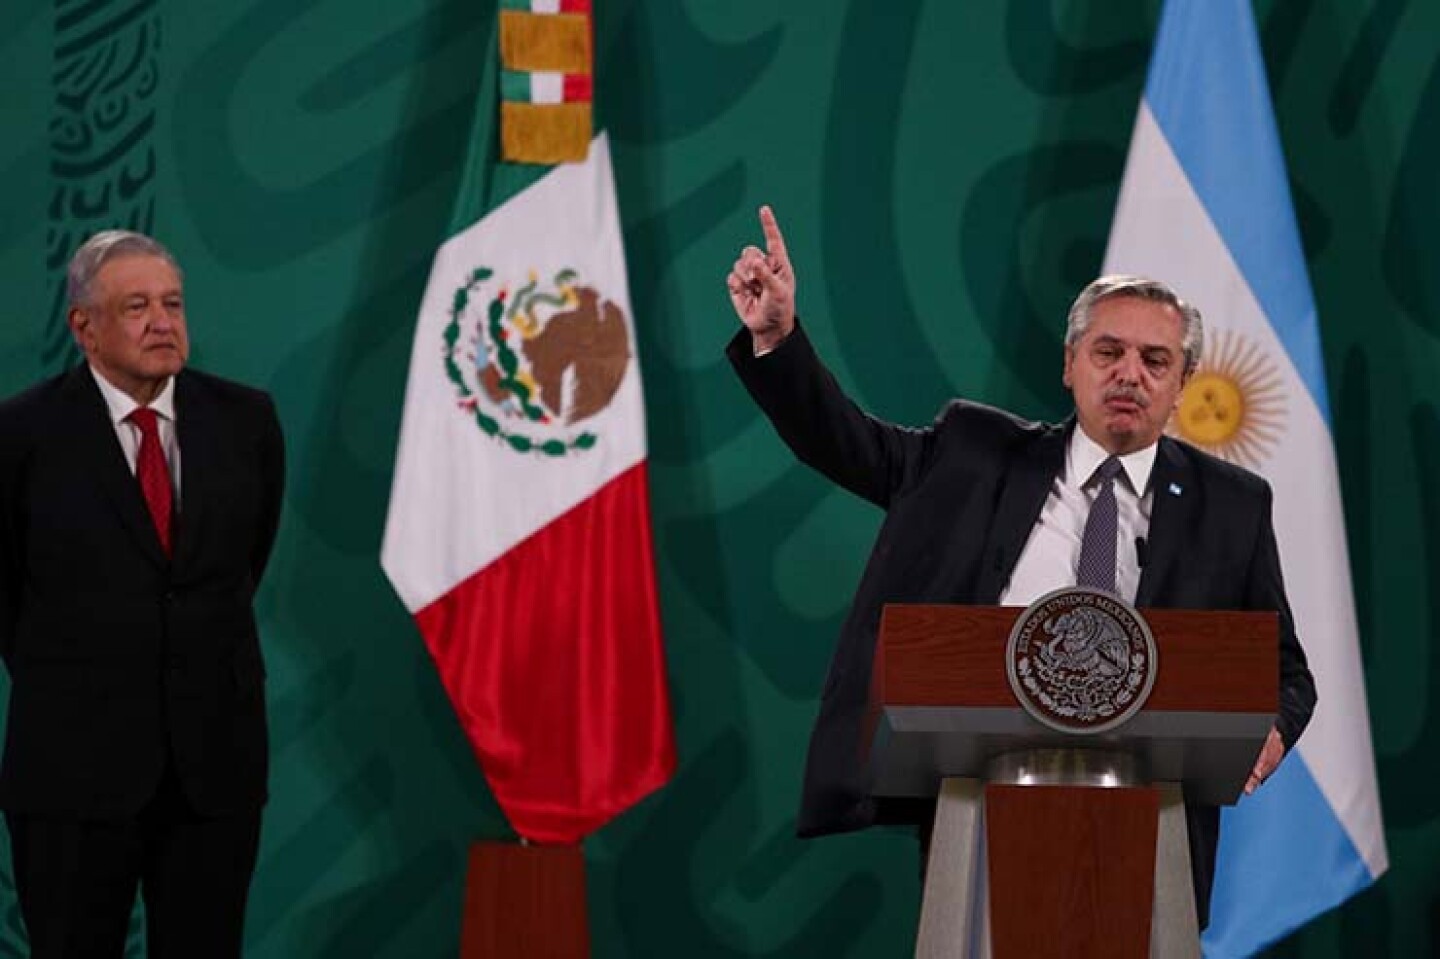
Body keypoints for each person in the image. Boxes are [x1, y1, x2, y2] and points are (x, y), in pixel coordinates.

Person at [724, 206, 1316, 928]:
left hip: (1153, 821)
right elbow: (846, 444)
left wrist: (1274, 728)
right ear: (1070, 364)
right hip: (979, 801)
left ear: (1183, 381)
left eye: (1155, 360)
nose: (1130, 373)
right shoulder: (974, 452)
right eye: (1108, 352)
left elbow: (1287, 672)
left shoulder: (1231, 505)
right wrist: (778, 338)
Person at [0, 230, 285, 956]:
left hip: (214, 769)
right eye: (136, 305)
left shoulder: (247, 421)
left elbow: (240, 566)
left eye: (172, 302)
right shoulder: (20, 435)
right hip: (73, 771)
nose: (163, 321)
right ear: (83, 328)